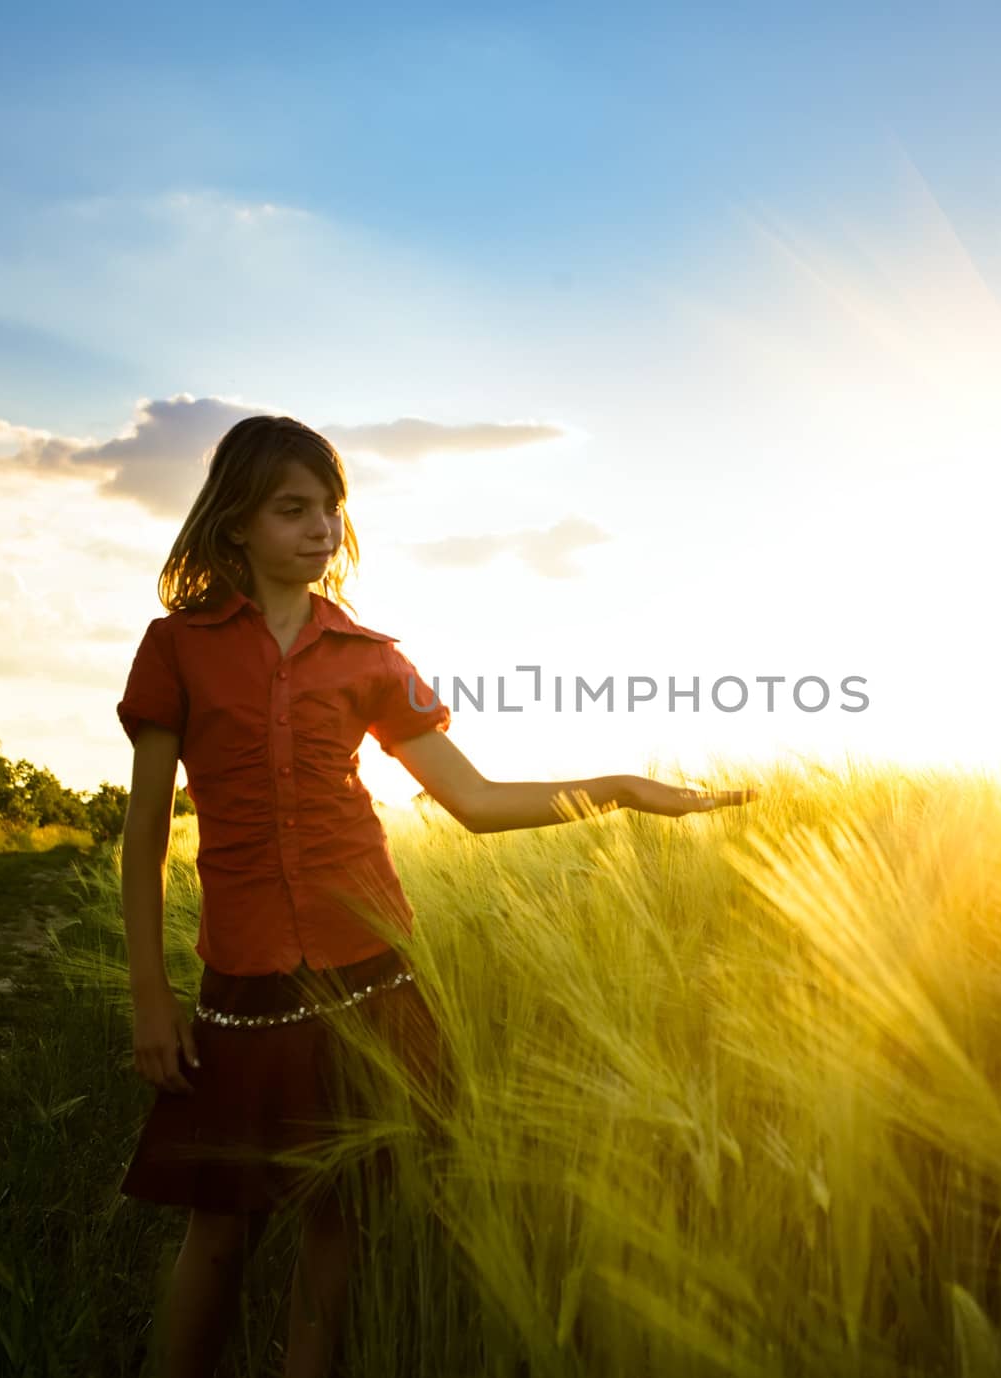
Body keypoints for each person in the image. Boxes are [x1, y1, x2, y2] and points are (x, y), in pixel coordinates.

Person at [115, 414, 757, 1378]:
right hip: (241, 981)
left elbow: (476, 802)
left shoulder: (370, 659)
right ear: (236, 519)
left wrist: (622, 791)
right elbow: (147, 832)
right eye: (293, 509)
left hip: (370, 978)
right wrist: (151, 996)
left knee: (339, 1227)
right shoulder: (177, 648)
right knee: (221, 1231)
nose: (320, 529)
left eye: (330, 510)